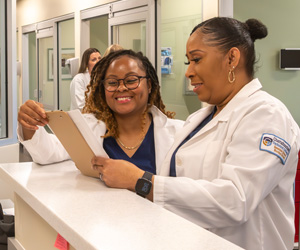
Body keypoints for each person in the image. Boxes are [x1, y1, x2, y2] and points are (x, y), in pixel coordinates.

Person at [90, 18, 300, 250]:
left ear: (232, 58)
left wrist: (141, 181)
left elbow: (234, 201)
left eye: (197, 59)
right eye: (188, 62)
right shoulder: (199, 120)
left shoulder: (267, 115)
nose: (188, 72)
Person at [17, 49, 183, 175]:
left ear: (150, 84)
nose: (121, 88)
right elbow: (48, 154)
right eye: (112, 82)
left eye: (131, 80)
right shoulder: (90, 126)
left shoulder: (179, 133)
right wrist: (29, 125)